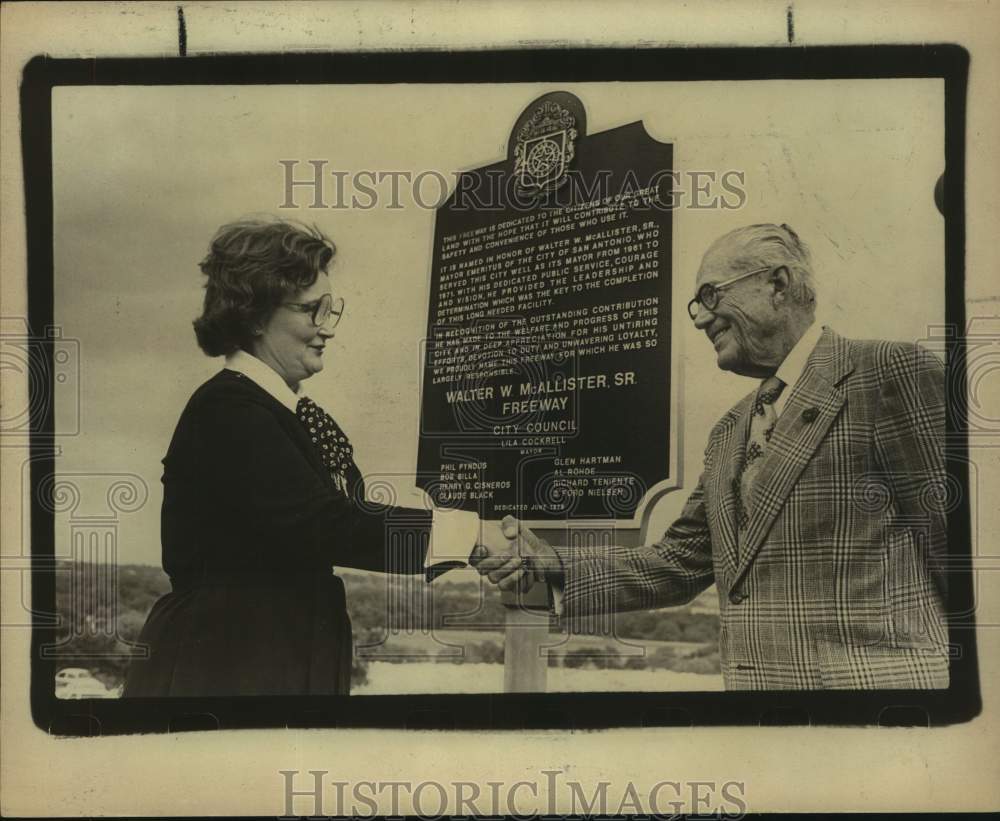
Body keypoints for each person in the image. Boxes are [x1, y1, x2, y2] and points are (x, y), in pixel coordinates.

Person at [473, 223, 950, 690]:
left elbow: (962, 552)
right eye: (696, 306)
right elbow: (679, 563)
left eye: (710, 295)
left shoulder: (890, 372)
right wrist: (550, 562)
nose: (700, 319)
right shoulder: (729, 430)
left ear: (777, 284)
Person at [124, 217, 508, 697]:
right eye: (311, 311)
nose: (327, 329)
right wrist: (468, 535)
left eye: (331, 311)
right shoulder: (227, 409)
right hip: (227, 658)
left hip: (275, 652)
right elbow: (328, 524)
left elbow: (350, 513)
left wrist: (470, 534)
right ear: (255, 315)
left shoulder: (279, 410)